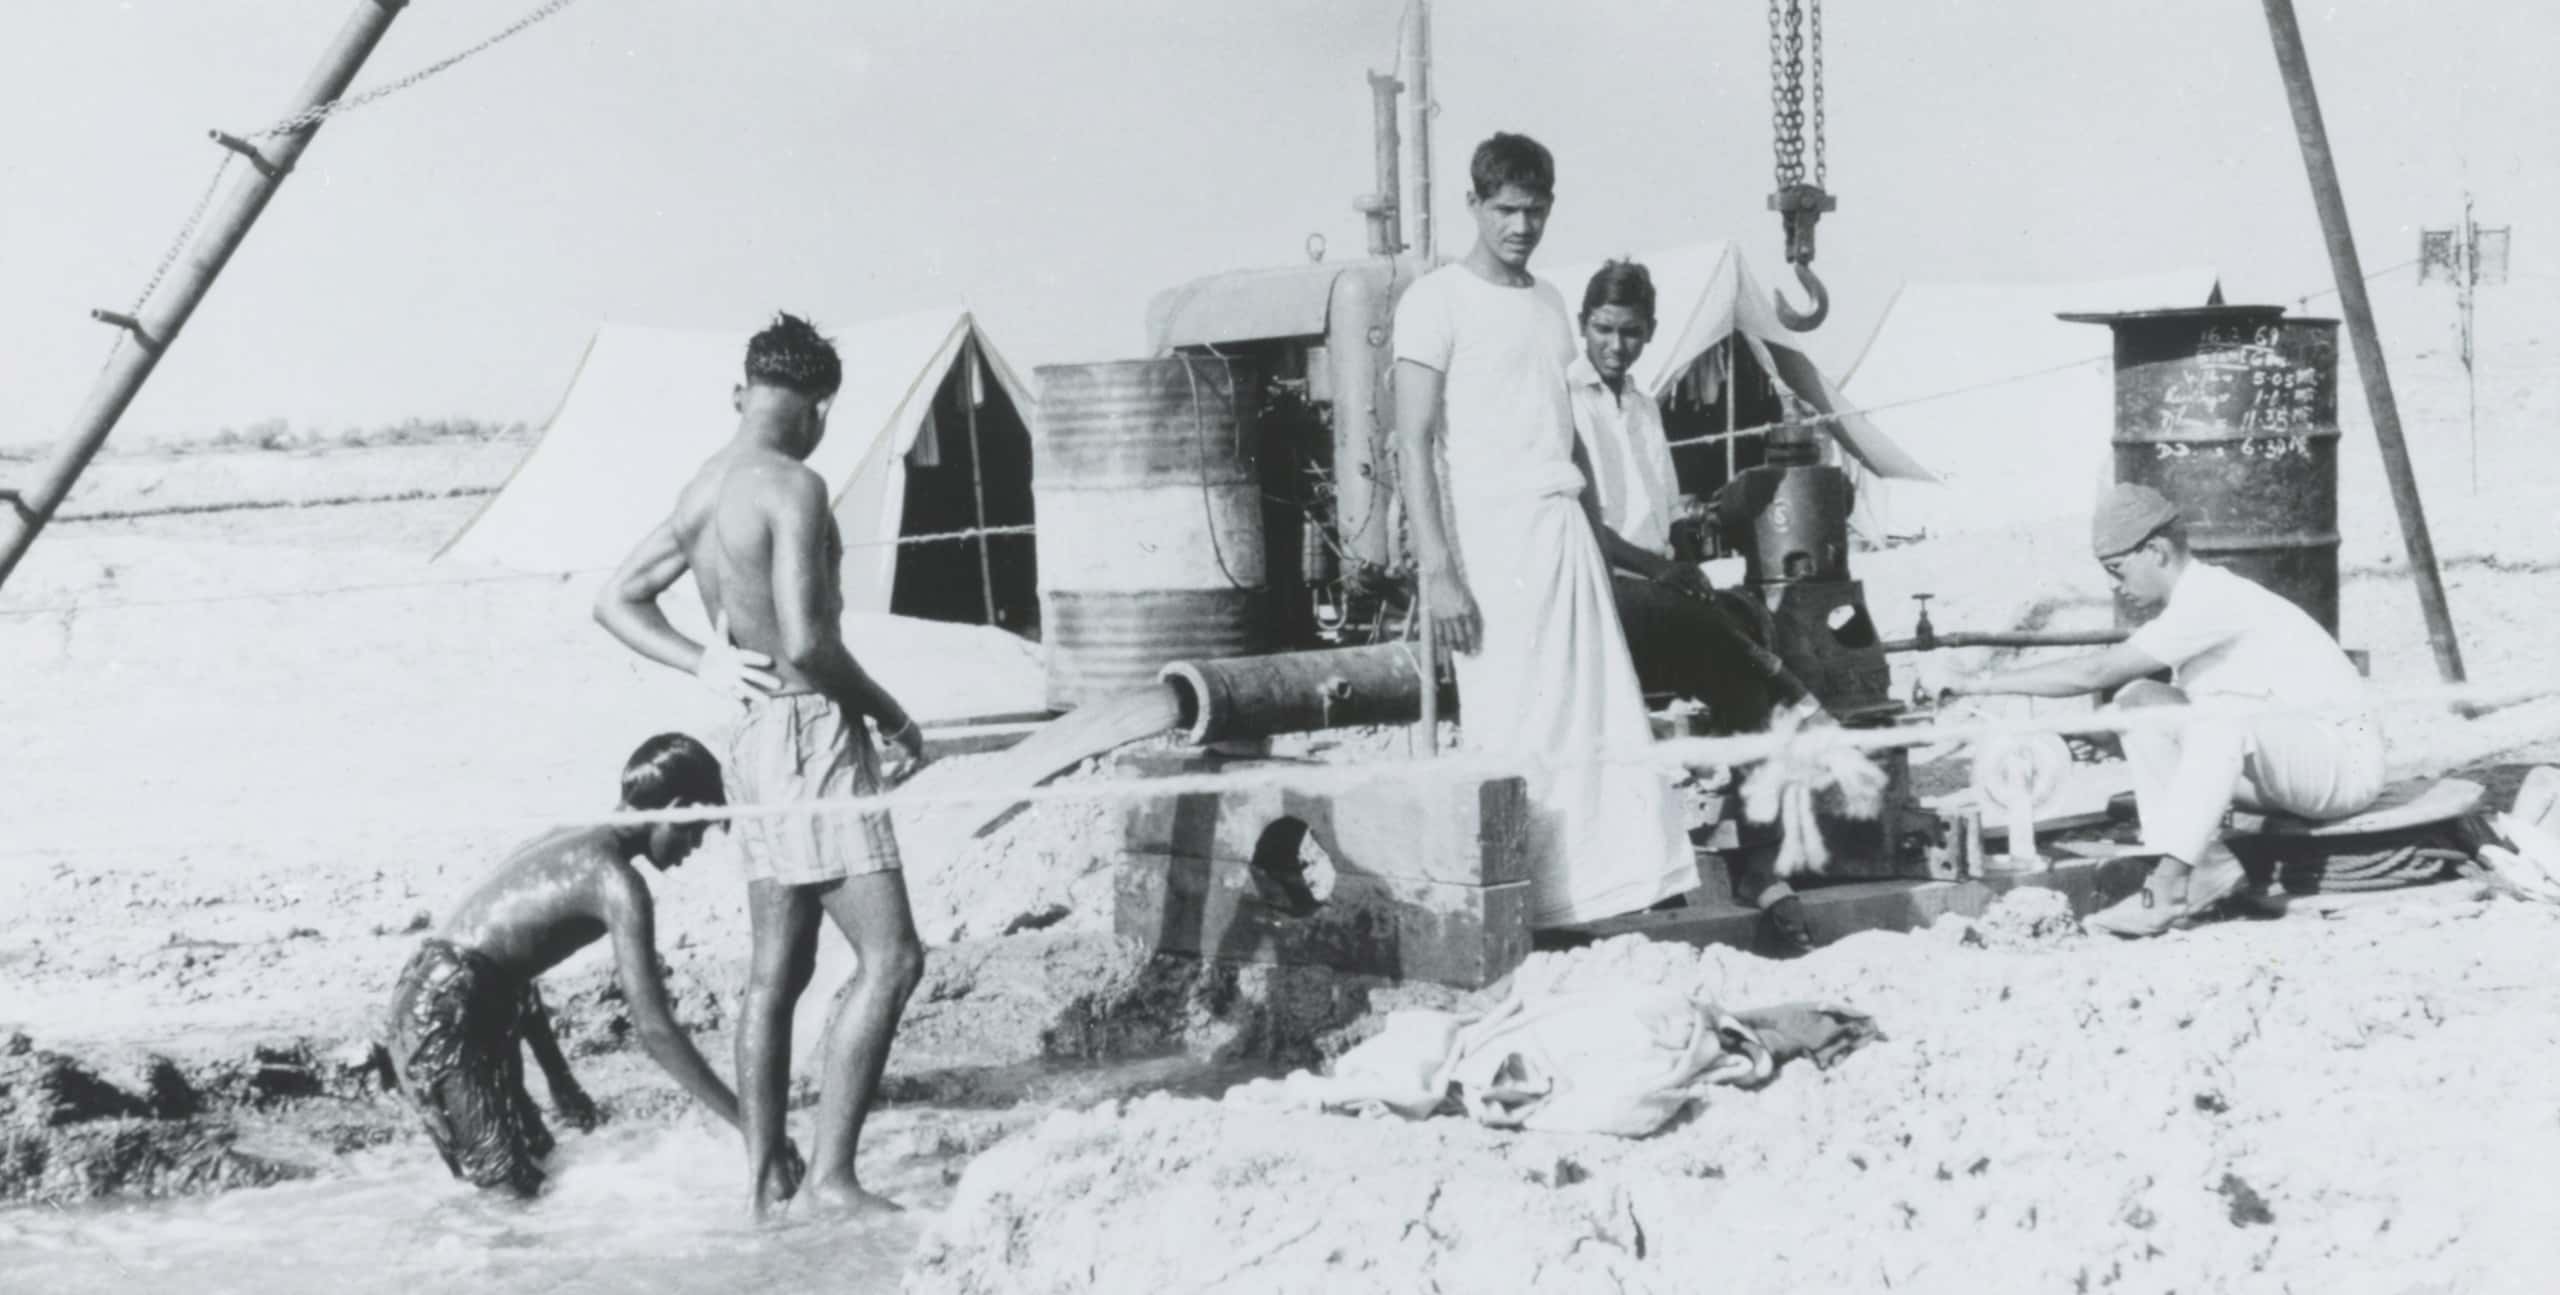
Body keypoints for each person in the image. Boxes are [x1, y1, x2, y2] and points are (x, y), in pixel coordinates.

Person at [594, 312, 931, 1219]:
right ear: (818, 408)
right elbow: (811, 643)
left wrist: (701, 659)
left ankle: (763, 1180)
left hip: (750, 738)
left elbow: (615, 598)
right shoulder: (797, 485)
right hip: (811, 731)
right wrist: (896, 720)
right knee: (894, 957)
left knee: (774, 974)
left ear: (744, 395)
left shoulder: (702, 489)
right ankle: (832, 1179)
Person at [1391, 133, 1697, 927]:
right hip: (1491, 545)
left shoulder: (1553, 304)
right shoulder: (1436, 300)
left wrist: (1597, 535)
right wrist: (1439, 569)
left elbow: (1563, 437)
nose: (1520, 226)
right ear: (1474, 206)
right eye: (1504, 210)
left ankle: (1605, 893)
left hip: (1563, 536)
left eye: (1534, 211)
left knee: (1595, 714)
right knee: (1514, 718)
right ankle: (1523, 903)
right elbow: (1413, 443)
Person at [1943, 483, 2385, 937]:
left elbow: (2097, 670)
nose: (2118, 588)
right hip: (2289, 763)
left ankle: (2168, 885)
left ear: (2155, 550)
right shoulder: (2192, 603)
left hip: (2341, 766)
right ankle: (2206, 866)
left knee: (2219, 716)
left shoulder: (2212, 597)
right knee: (2139, 700)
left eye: (2118, 570)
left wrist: (1981, 683)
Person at [385, 734, 772, 1199]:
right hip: (442, 1015)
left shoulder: (570, 836)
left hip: (445, 998)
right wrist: (752, 1129)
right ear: (677, 807)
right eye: (697, 829)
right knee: (505, 1193)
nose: (693, 848)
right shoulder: (616, 882)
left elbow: (509, 968)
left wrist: (558, 1077)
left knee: (535, 1171)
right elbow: (655, 1031)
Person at [1567, 258, 1824, 953]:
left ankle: (1754, 861)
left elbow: (1665, 507)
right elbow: (1584, 524)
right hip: (1599, 589)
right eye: (1603, 329)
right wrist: (1661, 567)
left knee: (1741, 661)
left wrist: (1686, 548)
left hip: (1657, 592)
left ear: (1649, 336)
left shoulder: (1646, 404)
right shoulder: (1563, 400)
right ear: (1583, 325)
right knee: (1722, 633)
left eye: (1629, 333)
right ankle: (1788, 686)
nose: (1615, 345)